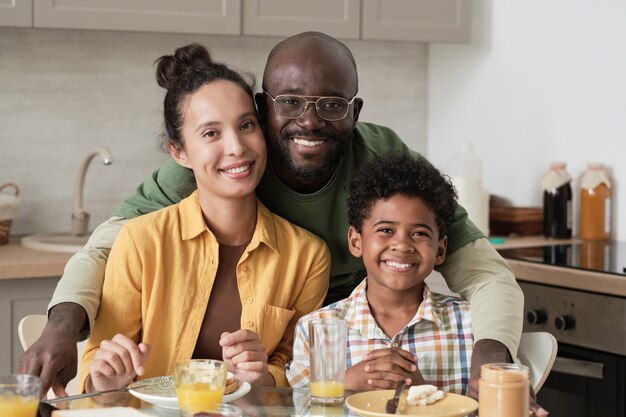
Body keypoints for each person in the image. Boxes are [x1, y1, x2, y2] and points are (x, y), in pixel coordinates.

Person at [19, 32, 523, 399]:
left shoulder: (379, 165)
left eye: (330, 104)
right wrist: (63, 326)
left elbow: (484, 271)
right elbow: (104, 249)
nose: (309, 119)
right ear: (266, 107)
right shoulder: (203, 171)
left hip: (330, 361)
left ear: (355, 110)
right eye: (290, 102)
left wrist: (493, 357)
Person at [78, 43, 330, 392]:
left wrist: (264, 378)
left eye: (246, 125)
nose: (237, 147)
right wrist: (101, 382)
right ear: (179, 152)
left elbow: (297, 370)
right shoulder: (140, 241)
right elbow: (97, 364)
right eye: (211, 133)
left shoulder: (307, 256)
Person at [287, 153, 472, 393]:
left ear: (440, 250)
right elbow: (297, 408)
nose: (402, 245)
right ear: (356, 242)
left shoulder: (470, 325)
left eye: (419, 233)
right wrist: (339, 386)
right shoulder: (316, 329)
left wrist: (422, 394)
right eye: (386, 230)